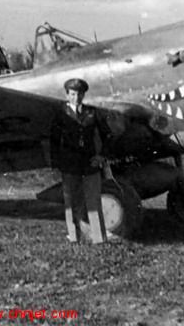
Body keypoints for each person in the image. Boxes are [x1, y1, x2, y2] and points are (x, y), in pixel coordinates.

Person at [49, 78, 112, 244]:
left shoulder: (92, 112)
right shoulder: (60, 114)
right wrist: (57, 164)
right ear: (67, 94)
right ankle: (74, 237)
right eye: (72, 94)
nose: (75, 97)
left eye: (79, 94)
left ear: (84, 95)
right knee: (71, 202)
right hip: (70, 165)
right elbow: (54, 141)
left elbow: (107, 135)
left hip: (90, 164)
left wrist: (101, 156)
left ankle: (99, 239)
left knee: (94, 201)